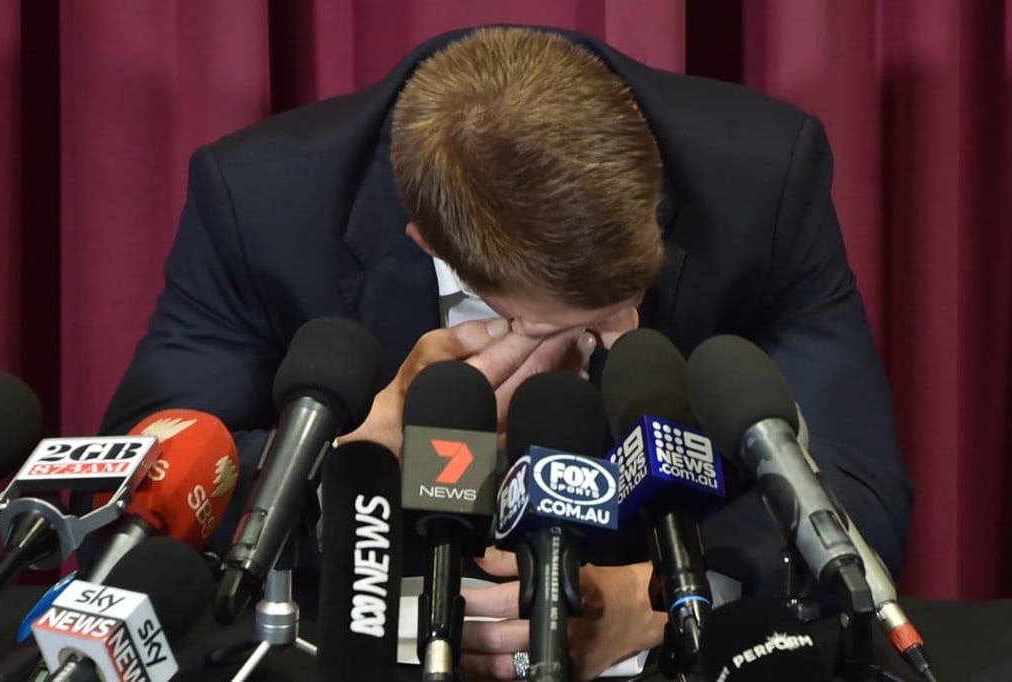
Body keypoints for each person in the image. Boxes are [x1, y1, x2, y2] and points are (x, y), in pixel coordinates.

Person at [100, 25, 913, 681]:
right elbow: (146, 473)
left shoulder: (760, 176)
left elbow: (855, 488)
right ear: (430, 243)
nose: (609, 339)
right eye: (569, 326)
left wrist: (662, 596)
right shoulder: (263, 199)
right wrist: (350, 473)